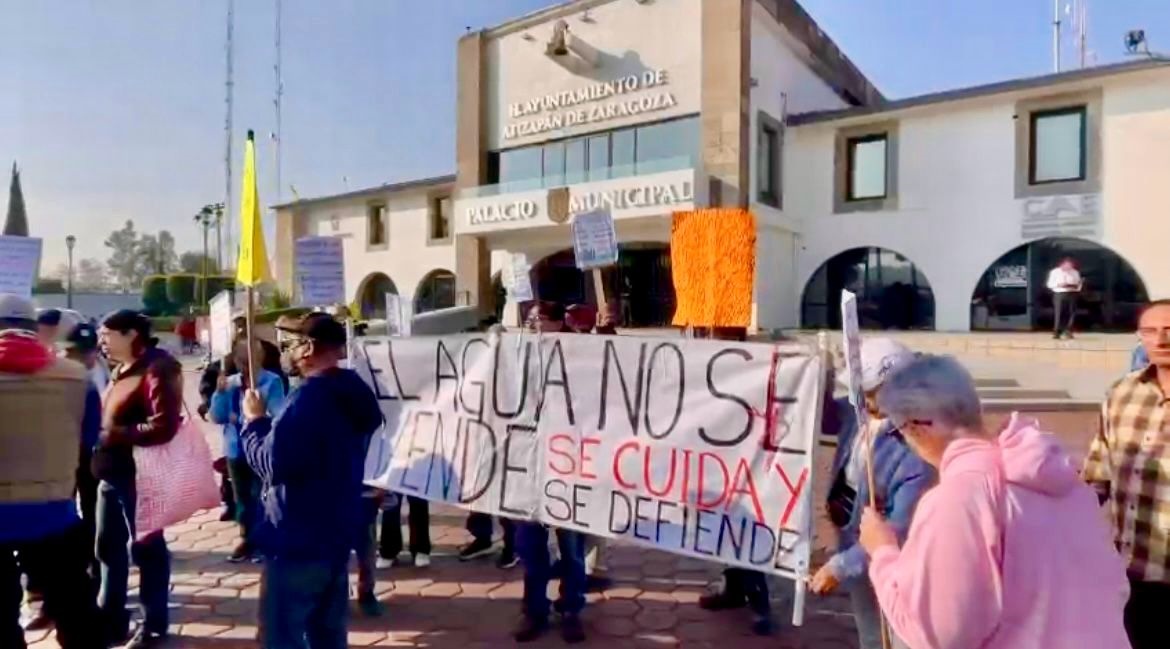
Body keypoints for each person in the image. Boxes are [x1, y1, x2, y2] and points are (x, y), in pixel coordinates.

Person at [859, 354, 1130, 649]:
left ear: (916, 427)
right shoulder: (1063, 480)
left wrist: (883, 553)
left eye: (900, 434)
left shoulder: (957, 498)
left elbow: (939, 634)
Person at [240, 312, 382, 648]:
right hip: (333, 535)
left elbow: (272, 463)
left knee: (281, 635)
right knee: (328, 634)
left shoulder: (309, 399)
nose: (284, 353)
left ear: (307, 348)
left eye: (288, 345)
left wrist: (255, 423)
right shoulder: (350, 390)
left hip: (298, 539)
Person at [809, 338, 934, 649]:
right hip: (852, 529)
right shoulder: (859, 413)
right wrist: (820, 372)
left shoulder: (916, 448)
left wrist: (840, 565)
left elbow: (898, 530)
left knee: (902, 633)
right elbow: (822, 416)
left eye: (872, 392)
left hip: (893, 555)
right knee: (870, 631)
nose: (864, 399)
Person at [0, 294, 103, 649]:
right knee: (76, 613)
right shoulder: (76, 377)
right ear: (34, 328)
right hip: (55, 511)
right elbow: (87, 439)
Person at [94, 309, 183, 648]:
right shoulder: (121, 370)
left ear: (131, 334)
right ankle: (111, 617)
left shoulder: (159, 368)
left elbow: (164, 425)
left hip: (140, 477)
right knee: (107, 548)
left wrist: (115, 433)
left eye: (107, 334)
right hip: (110, 474)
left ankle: (153, 624)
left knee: (147, 550)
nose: (102, 340)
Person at [1084, 298, 1170, 649]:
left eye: (1169, 330)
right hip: (1135, 572)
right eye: (1150, 331)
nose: (1161, 339)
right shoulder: (1122, 394)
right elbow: (1096, 474)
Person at [513, 303, 588, 644]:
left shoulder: (584, 357)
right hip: (529, 471)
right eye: (530, 321)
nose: (534, 326)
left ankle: (571, 608)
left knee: (571, 548)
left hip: (571, 470)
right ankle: (535, 610)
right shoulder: (517, 358)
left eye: (541, 320)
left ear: (560, 323)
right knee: (531, 549)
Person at [697, 326, 775, 636]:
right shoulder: (707, 368)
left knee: (748, 539)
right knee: (724, 535)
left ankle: (760, 605)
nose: (711, 339)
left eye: (718, 335)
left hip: (749, 470)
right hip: (718, 466)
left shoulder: (756, 368)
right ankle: (733, 591)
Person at [210, 338, 287, 563]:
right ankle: (246, 537)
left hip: (261, 446)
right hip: (236, 448)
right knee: (241, 497)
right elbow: (216, 415)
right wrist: (219, 394)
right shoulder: (230, 384)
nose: (246, 366)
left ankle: (263, 540)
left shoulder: (271, 382)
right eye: (242, 361)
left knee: (261, 495)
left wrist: (252, 414)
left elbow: (277, 412)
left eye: (251, 361)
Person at [1046, 257, 1082, 339]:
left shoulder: (1075, 272)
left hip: (1072, 293)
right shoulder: (1054, 272)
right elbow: (1049, 284)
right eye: (1067, 266)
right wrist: (1059, 284)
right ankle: (1057, 332)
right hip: (1059, 294)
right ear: (1062, 264)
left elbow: (1079, 283)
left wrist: (1076, 286)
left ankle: (1068, 331)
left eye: (1071, 266)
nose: (1069, 268)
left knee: (1071, 313)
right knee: (1059, 313)